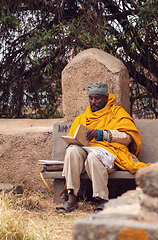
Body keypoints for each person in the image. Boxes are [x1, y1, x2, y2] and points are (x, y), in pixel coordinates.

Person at [55, 82, 150, 213]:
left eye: (97, 98)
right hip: (86, 155)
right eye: (91, 98)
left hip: (111, 156)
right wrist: (73, 142)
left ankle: (103, 201)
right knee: (72, 150)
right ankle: (72, 199)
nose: (93, 102)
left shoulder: (117, 113)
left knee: (93, 158)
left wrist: (104, 134)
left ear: (106, 98)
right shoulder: (83, 117)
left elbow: (127, 138)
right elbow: (73, 138)